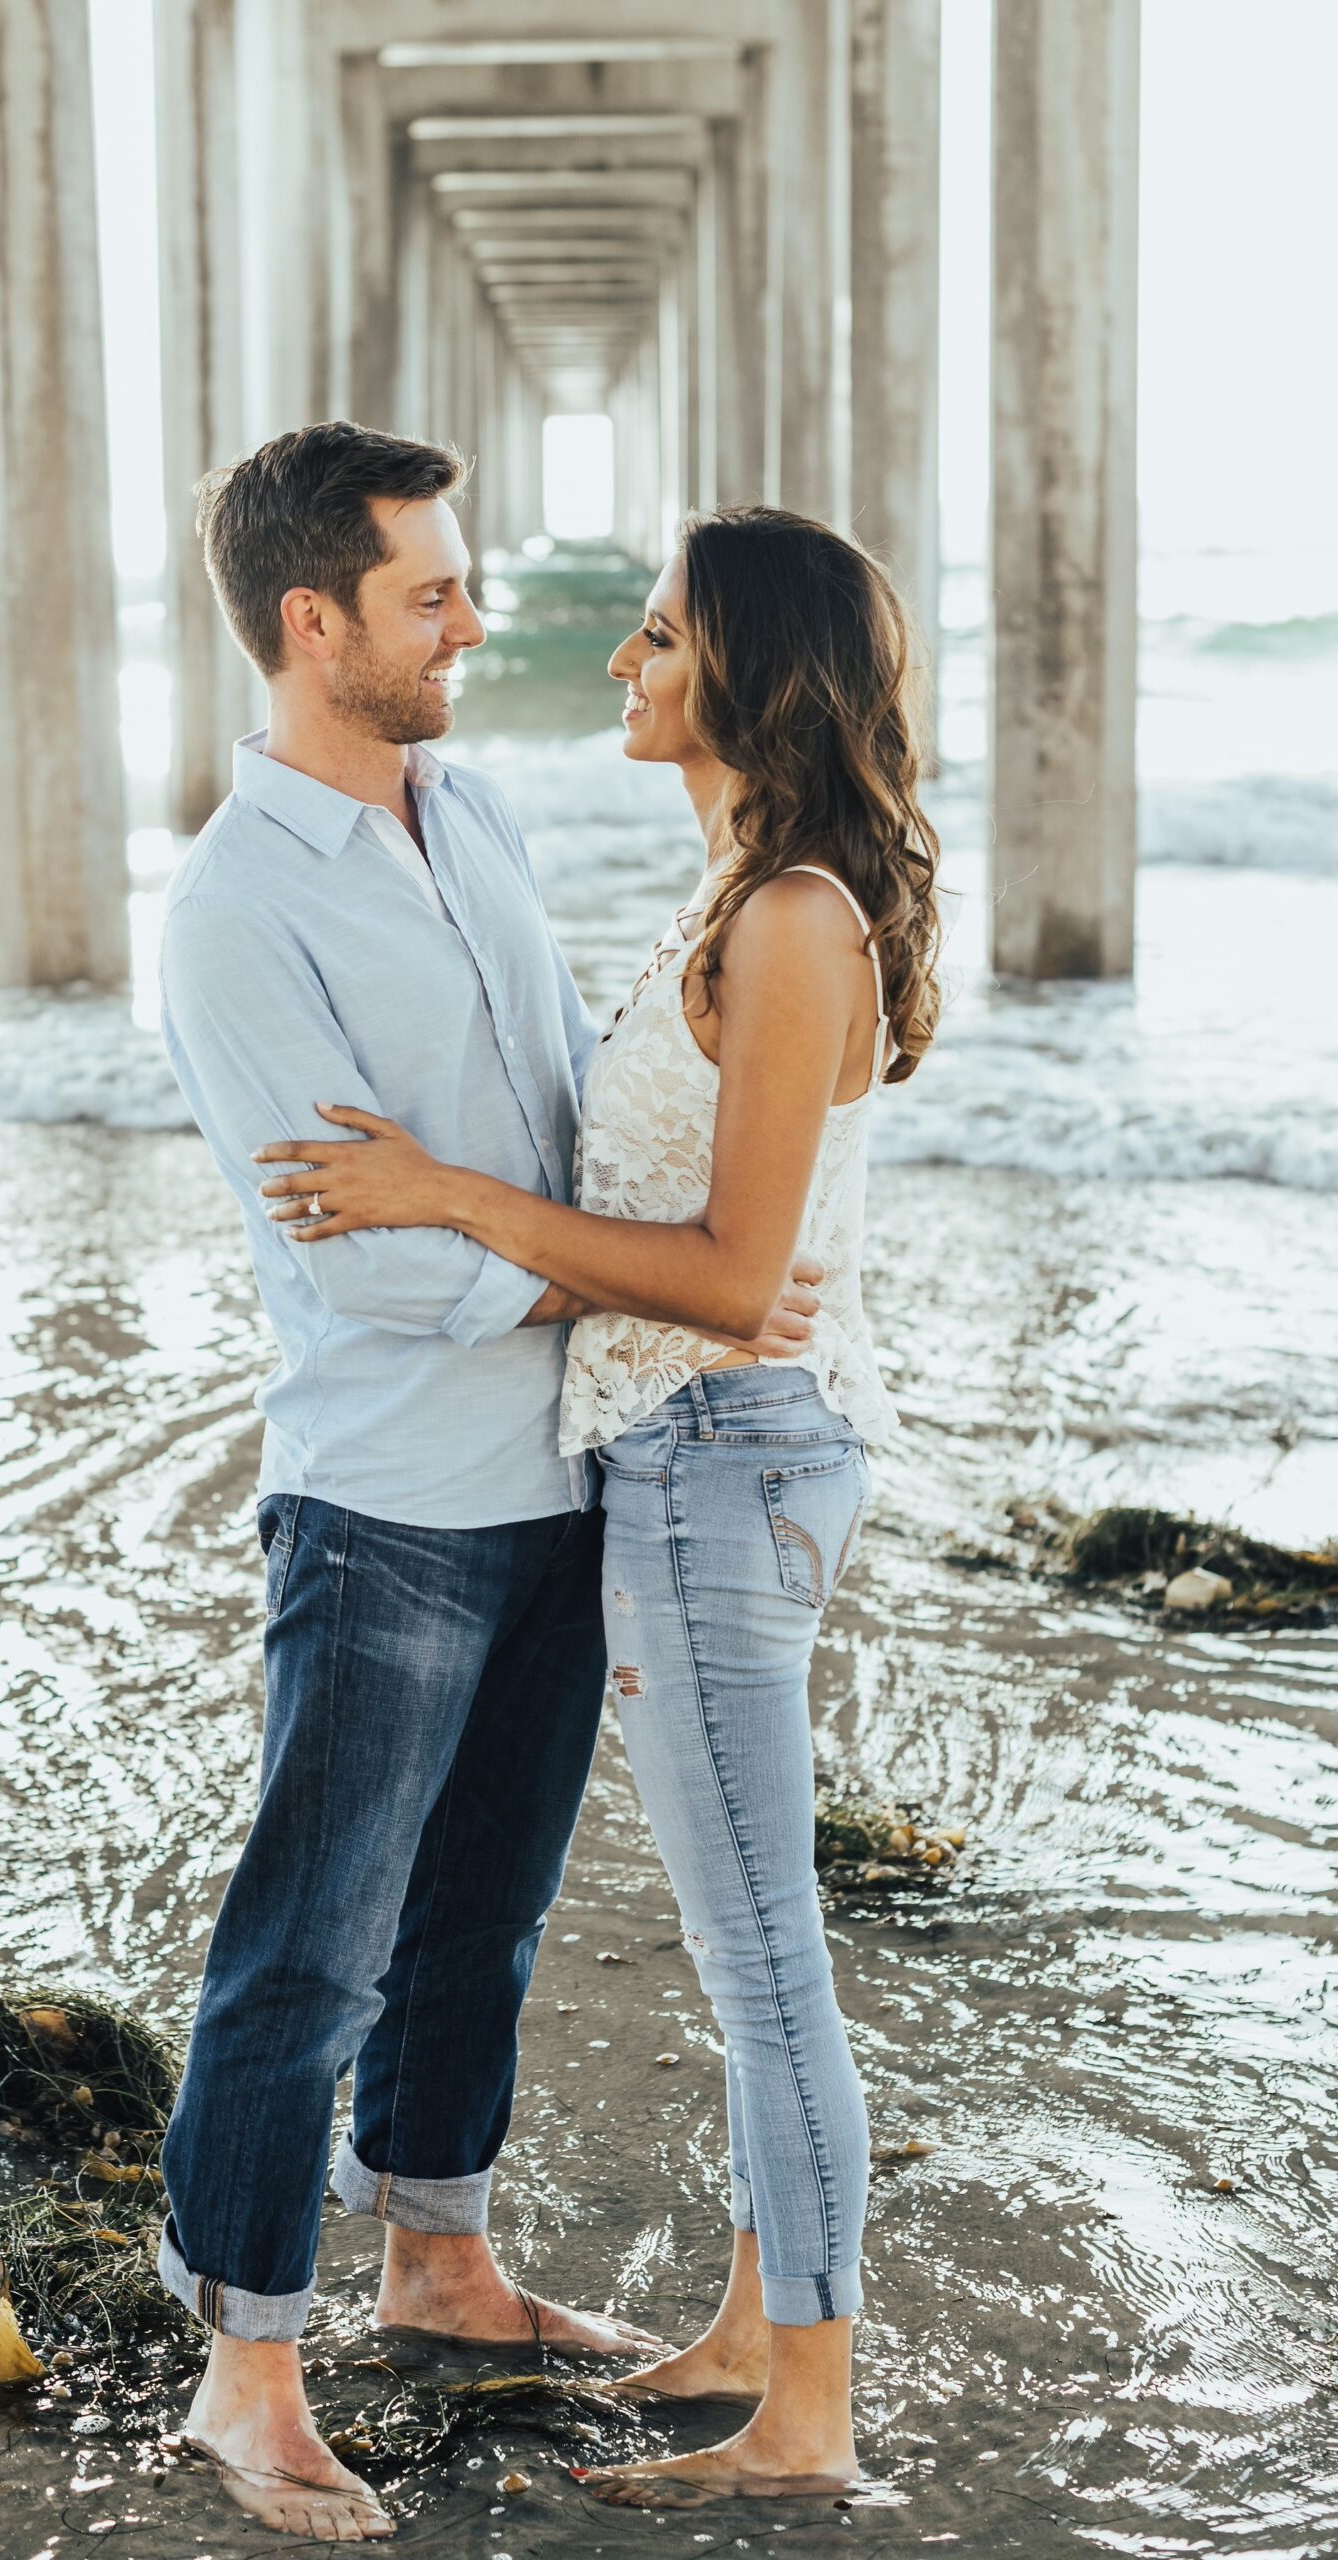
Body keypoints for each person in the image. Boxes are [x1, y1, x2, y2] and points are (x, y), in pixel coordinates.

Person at [157, 425, 824, 2542]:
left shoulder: (485, 806)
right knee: (308, 1937)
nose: (475, 615)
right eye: (431, 589)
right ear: (311, 621)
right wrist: (646, 1299)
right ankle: (242, 2365)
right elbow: (347, 1243)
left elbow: (541, 1139)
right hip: (382, 1498)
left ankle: (435, 2257)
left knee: (484, 1919)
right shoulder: (236, 903)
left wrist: (650, 1292)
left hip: (558, 1483)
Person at [256, 504, 942, 2509]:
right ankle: (752, 2320)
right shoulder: (738, 886)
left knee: (758, 1957)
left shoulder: (795, 912)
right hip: (674, 1449)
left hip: (727, 1454)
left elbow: (733, 1274)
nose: (617, 667)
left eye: (652, 640)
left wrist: (441, 1193)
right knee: (743, 1936)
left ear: (741, 670)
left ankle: (802, 2414)